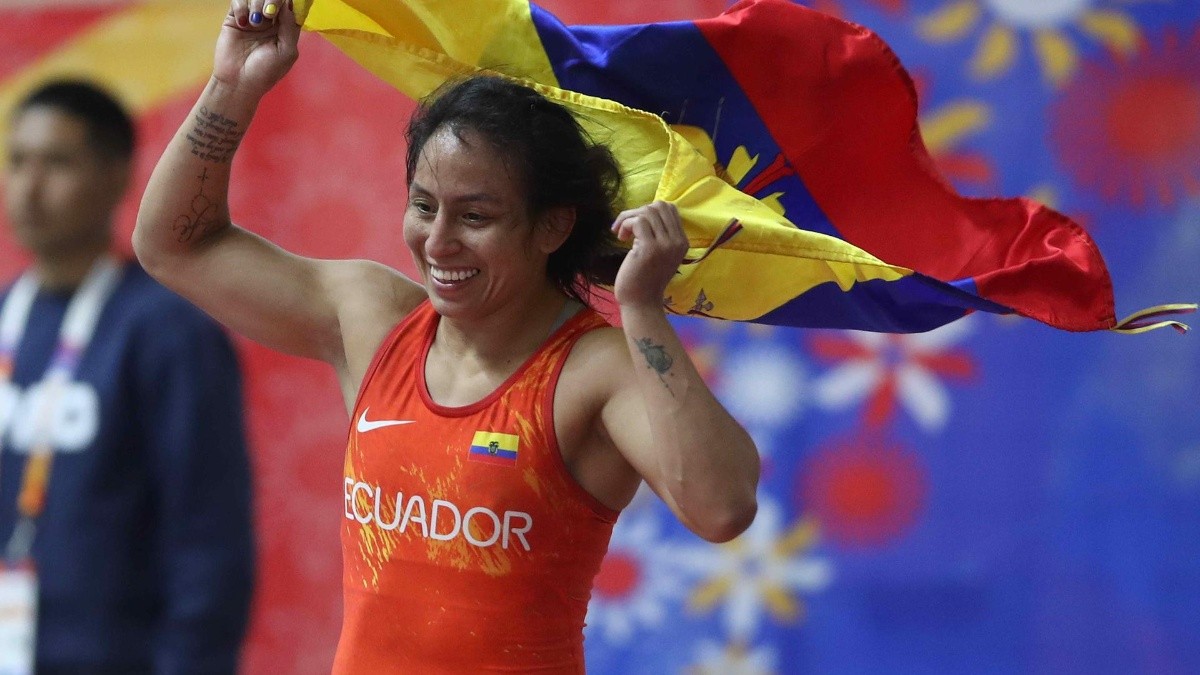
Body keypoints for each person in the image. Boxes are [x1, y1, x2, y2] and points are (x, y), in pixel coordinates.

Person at [135, 2, 759, 673]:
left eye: (475, 216)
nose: (438, 242)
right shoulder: (372, 320)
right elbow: (175, 246)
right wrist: (232, 85)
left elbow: (721, 509)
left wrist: (641, 310)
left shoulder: (592, 369)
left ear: (552, 226)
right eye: (424, 206)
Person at [1, 79, 255, 674]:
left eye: (56, 163)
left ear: (118, 175)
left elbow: (209, 536)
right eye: (17, 162)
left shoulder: (169, 331)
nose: (29, 188)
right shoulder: (8, 315)